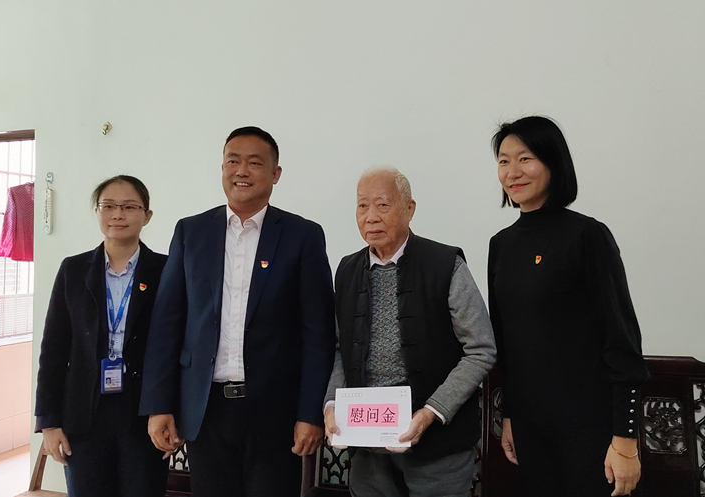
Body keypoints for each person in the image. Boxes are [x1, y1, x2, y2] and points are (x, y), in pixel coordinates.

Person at [139, 126, 336, 497]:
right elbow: (167, 324)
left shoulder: (302, 235)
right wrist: (159, 404)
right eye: (233, 161)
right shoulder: (191, 232)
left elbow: (318, 334)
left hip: (275, 412)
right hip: (205, 409)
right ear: (222, 168)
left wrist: (310, 413)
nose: (241, 171)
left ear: (275, 174)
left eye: (254, 163)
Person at [488, 116, 649, 497]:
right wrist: (508, 416)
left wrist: (625, 439)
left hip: (591, 428)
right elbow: (507, 343)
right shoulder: (501, 245)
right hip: (530, 429)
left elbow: (622, 340)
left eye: (525, 158)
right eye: (504, 161)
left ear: (553, 163)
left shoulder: (587, 235)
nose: (513, 172)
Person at [324, 167, 496, 497]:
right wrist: (332, 403)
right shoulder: (347, 270)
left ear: (409, 208)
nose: (371, 216)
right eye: (362, 206)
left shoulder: (445, 264)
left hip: (437, 449)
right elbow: (339, 350)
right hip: (367, 448)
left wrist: (432, 411)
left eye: (382, 205)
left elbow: (481, 349)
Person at [34, 175, 169, 497]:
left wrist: (171, 412)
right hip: (84, 415)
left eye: (129, 207)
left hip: (145, 414)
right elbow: (53, 350)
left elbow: (176, 348)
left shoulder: (166, 270)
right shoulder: (74, 270)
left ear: (147, 215)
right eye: (108, 206)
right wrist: (49, 422)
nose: (117, 214)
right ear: (97, 211)